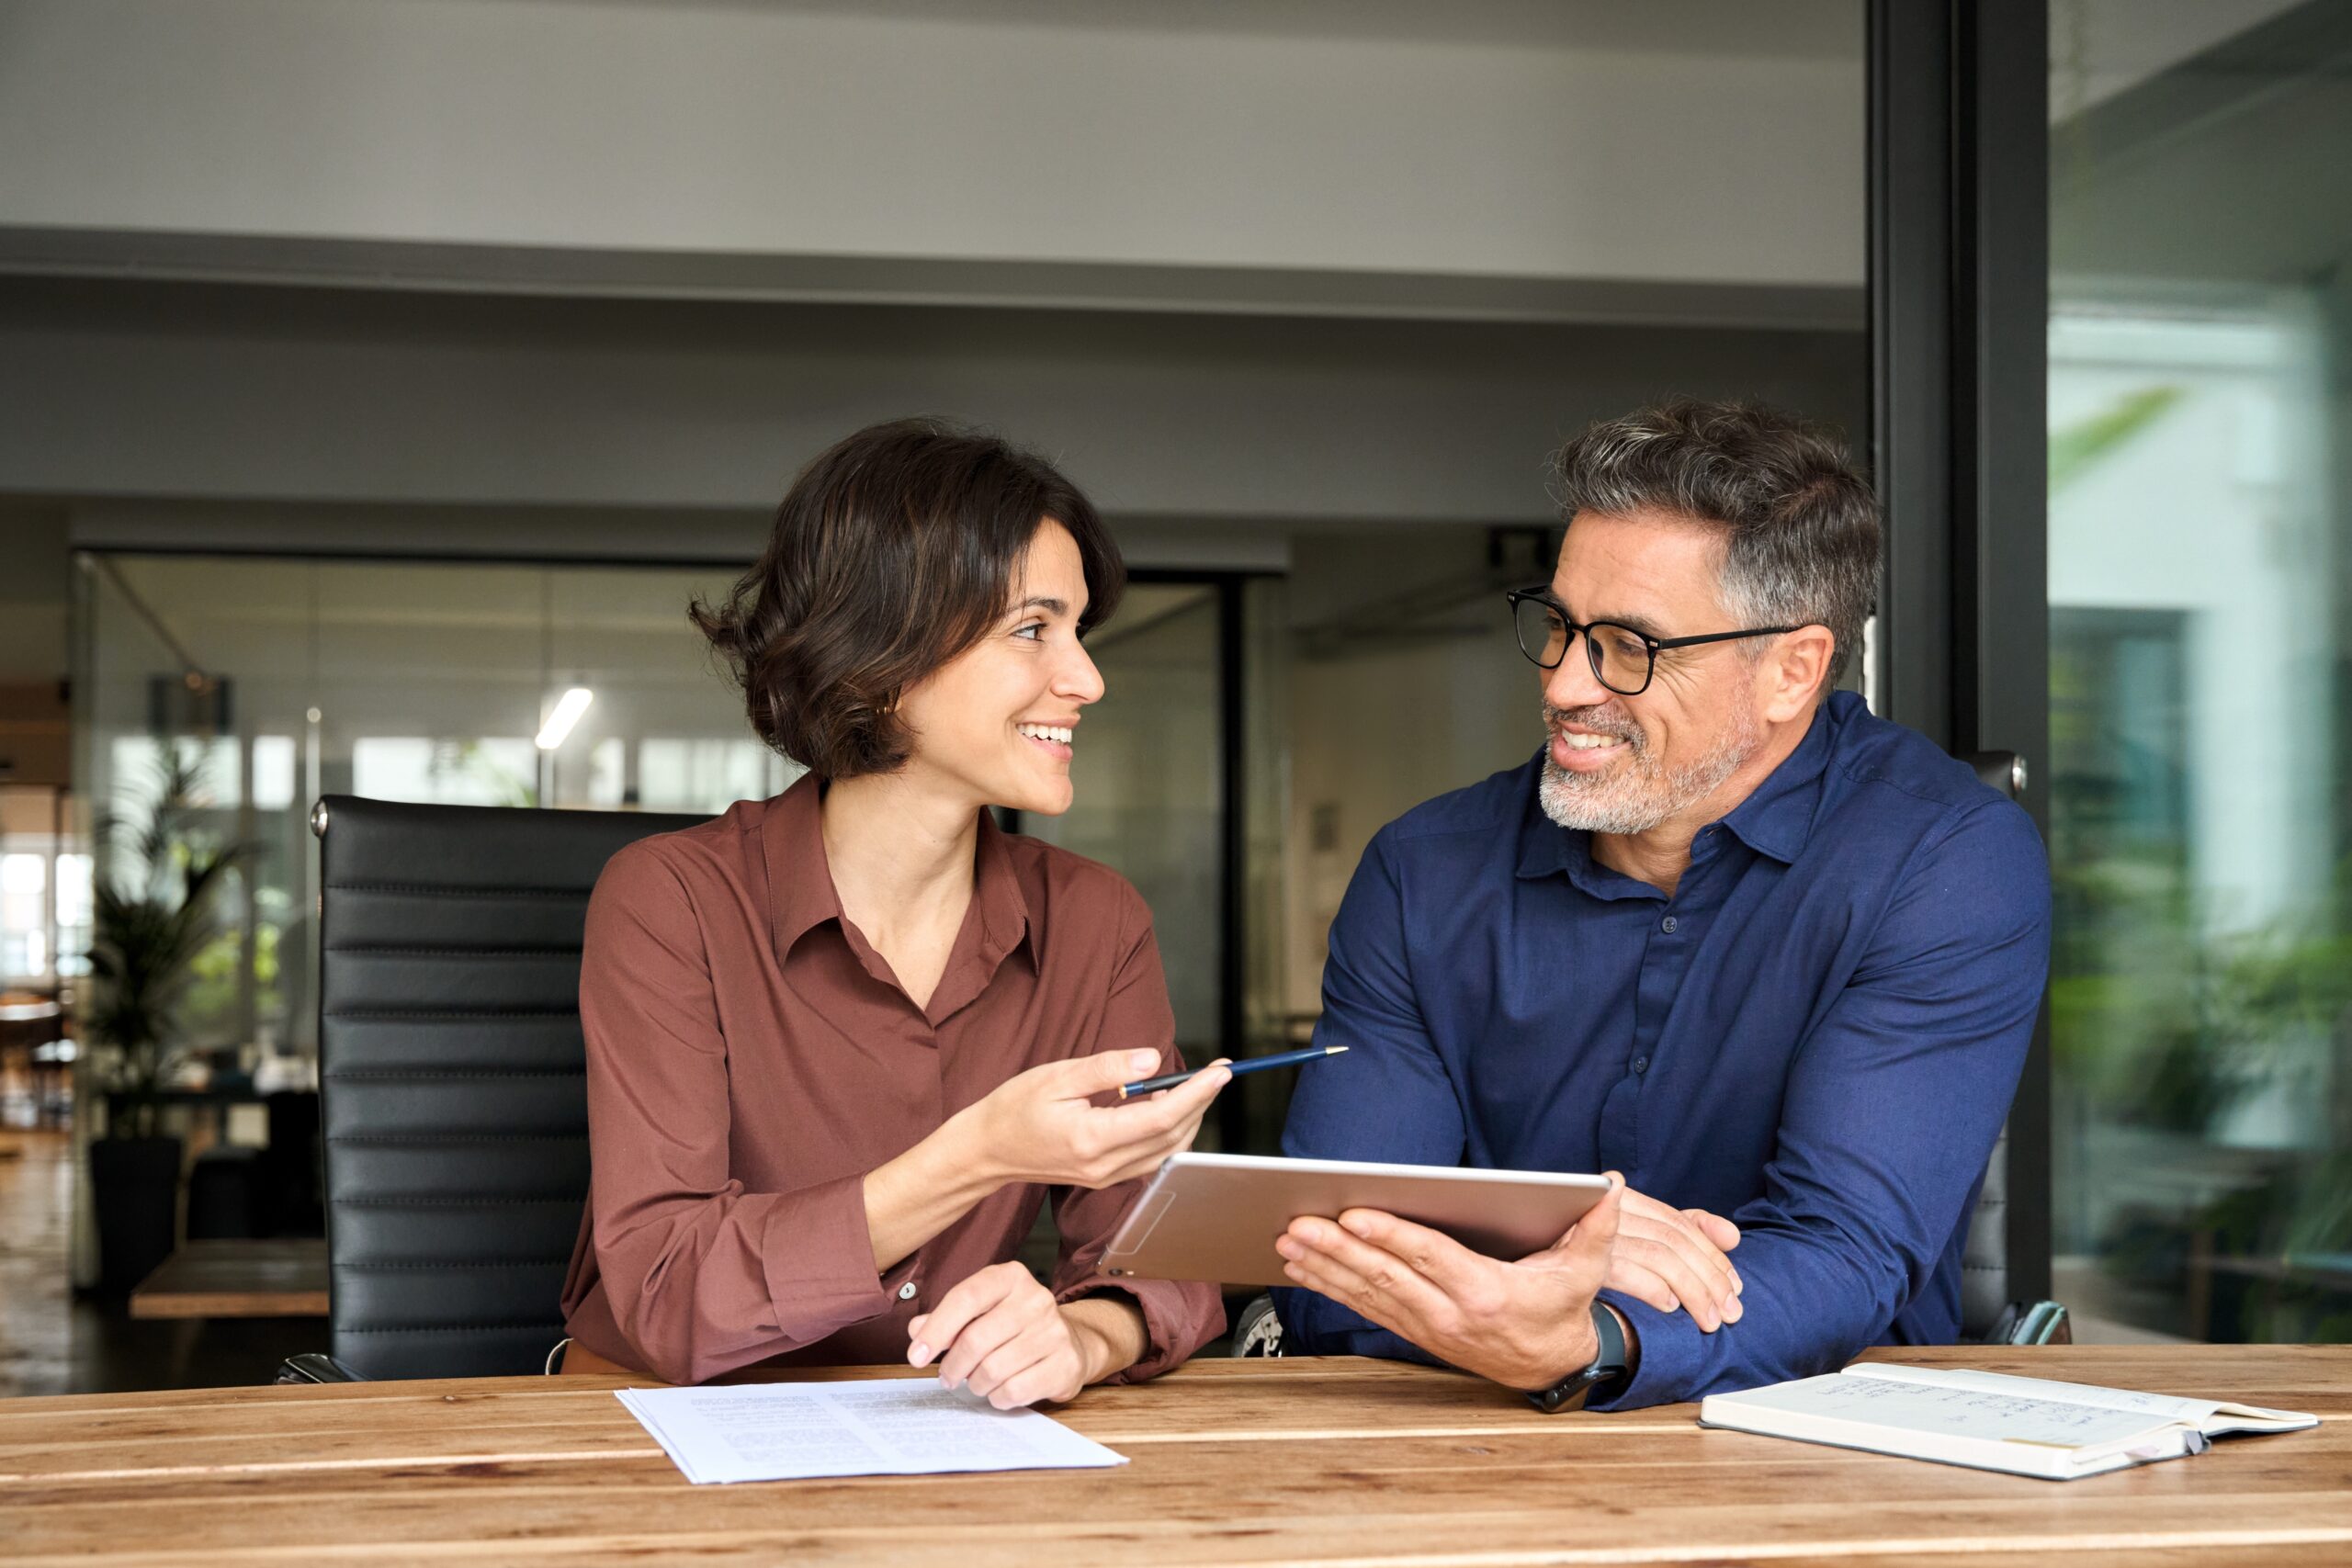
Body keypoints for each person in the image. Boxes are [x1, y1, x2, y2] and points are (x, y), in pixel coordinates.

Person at [1270, 399, 2052, 1412]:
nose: (1563, 682)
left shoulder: (1940, 860)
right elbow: (1334, 1259)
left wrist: (1582, 1334)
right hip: (1453, 1432)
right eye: (1556, 627)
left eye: (1628, 647)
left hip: (1825, 1445)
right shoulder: (1424, 872)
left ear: (1791, 669)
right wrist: (1568, 1247)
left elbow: (1842, 1256)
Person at [559, 419, 1228, 1399]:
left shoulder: (1095, 922)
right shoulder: (672, 902)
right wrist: (975, 1155)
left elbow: (1154, 1253)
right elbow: (667, 1288)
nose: (1085, 678)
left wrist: (1084, 1336)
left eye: (1079, 631)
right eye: (1034, 629)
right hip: (657, 1425)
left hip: (946, 1429)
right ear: (882, 656)